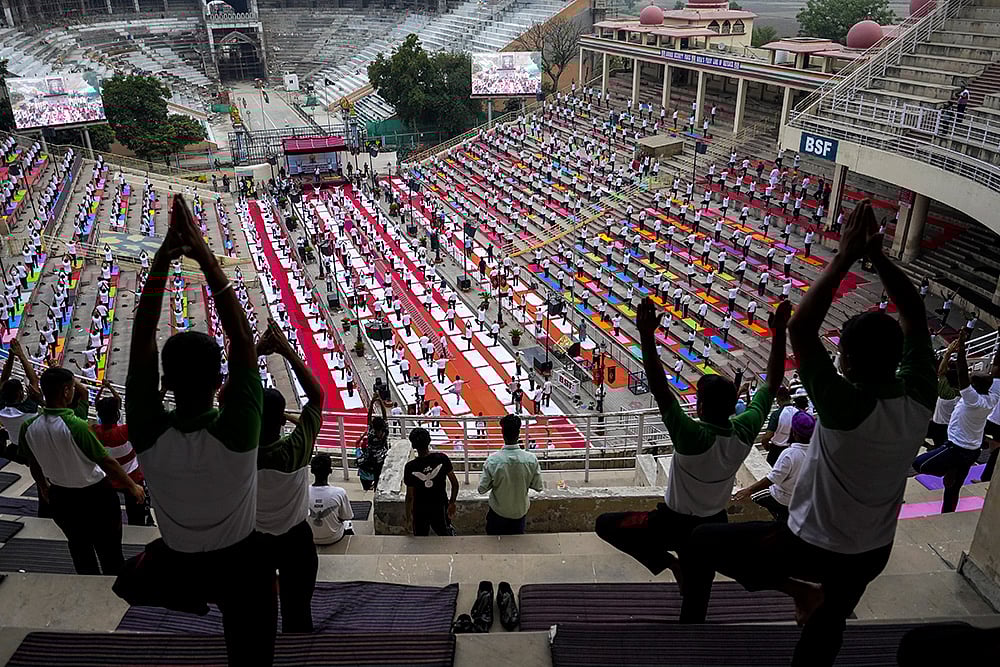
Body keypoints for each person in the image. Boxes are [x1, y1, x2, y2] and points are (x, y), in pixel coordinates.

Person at [680, 201, 936, 667]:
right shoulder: (920, 395)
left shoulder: (844, 404)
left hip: (812, 543)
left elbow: (802, 327)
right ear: (898, 356)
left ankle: (797, 590)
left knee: (702, 542)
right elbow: (916, 317)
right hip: (873, 551)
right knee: (826, 633)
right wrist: (876, 257)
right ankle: (811, 612)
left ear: (849, 363)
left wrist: (849, 255)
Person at [114, 195, 277, 666]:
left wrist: (165, 258)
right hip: (241, 563)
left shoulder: (148, 431)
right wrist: (203, 254)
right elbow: (244, 340)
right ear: (220, 383)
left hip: (178, 563)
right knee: (253, 653)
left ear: (165, 383)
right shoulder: (239, 430)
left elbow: (142, 341)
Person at [594, 297, 789, 580]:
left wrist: (647, 336)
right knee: (698, 594)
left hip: (670, 522)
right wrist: (780, 333)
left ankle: (669, 564)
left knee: (606, 524)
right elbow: (772, 382)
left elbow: (660, 389)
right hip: (713, 523)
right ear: (735, 402)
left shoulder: (690, 435)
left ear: (698, 407)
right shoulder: (745, 430)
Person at [253, 318, 324, 634]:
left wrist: (254, 353)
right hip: (296, 539)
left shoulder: (237, 453)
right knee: (298, 611)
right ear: (283, 420)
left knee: (257, 611)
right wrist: (286, 350)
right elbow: (316, 396)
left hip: (252, 541)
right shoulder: (296, 448)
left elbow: (227, 399)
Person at [913, 334, 1000, 513]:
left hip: (956, 448)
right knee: (953, 489)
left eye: (972, 377)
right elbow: (995, 370)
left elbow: (961, 372)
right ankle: (947, 513)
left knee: (919, 464)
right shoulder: (992, 397)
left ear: (974, 386)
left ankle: (947, 471)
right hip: (971, 451)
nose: (970, 376)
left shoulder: (972, 399)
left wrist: (961, 350)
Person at [733, 411, 816, 523]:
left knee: (752, 499)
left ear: (794, 433)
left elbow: (773, 479)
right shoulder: (817, 452)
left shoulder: (790, 454)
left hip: (782, 498)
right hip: (803, 499)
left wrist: (748, 490)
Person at [93, 378, 152, 527]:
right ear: (117, 414)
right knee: (136, 513)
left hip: (109, 478)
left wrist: (102, 388)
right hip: (132, 478)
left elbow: (98, 404)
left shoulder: (95, 431)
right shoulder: (125, 430)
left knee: (110, 513)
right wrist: (110, 388)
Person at [478, 414, 543, 535]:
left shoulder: (493, 460)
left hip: (498, 513)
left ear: (502, 433)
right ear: (519, 433)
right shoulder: (531, 459)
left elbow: (482, 489)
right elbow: (538, 487)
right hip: (519, 513)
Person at [404, 427, 459, 536]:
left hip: (420, 510)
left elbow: (409, 497)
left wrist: (408, 518)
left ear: (413, 445)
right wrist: (452, 502)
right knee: (444, 535)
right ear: (429, 441)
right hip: (440, 506)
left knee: (420, 539)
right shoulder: (442, 458)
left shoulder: (410, 467)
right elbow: (455, 484)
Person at [307, 453, 354, 545]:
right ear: (330, 471)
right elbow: (347, 516)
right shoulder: (339, 492)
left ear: (312, 471)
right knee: (348, 523)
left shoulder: (304, 492)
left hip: (310, 537)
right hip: (333, 537)